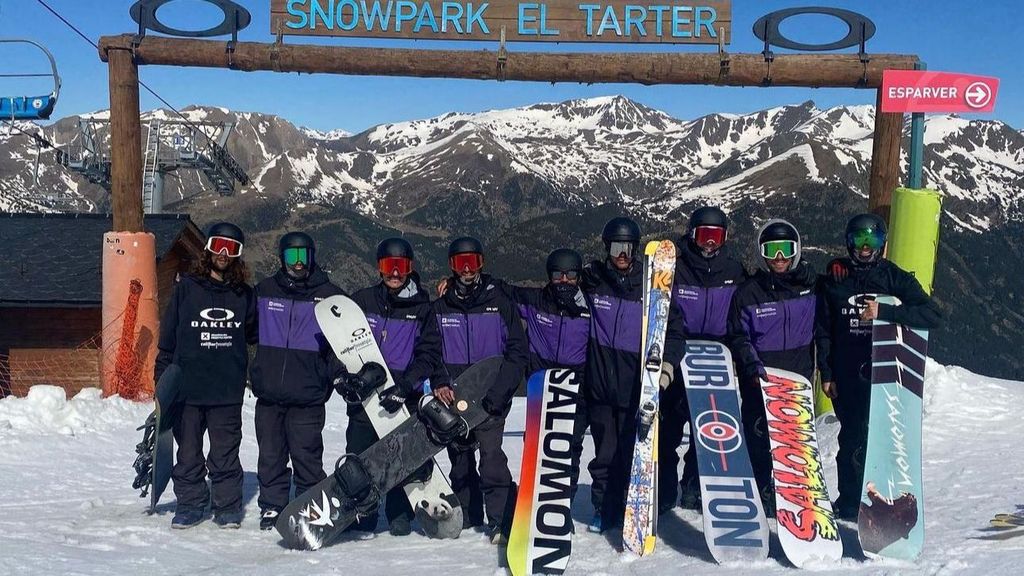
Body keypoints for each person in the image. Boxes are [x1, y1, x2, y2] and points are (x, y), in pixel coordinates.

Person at [817, 213, 942, 519]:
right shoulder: (835, 279)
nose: (864, 247)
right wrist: (827, 372)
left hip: (887, 372)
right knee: (851, 439)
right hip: (847, 375)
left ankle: (885, 498)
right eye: (858, 239)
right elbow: (823, 329)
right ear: (848, 243)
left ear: (883, 244)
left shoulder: (894, 278)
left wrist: (886, 311)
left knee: (885, 437)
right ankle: (849, 501)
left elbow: (933, 315)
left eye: (871, 240)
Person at [154, 222, 256, 529]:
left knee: (225, 452)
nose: (224, 253)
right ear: (208, 249)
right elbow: (169, 334)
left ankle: (226, 506)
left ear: (238, 255)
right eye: (218, 246)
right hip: (189, 387)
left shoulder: (244, 296)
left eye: (232, 248)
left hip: (226, 389)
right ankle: (190, 504)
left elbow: (254, 335)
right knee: (188, 452)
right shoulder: (187, 288)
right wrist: (162, 374)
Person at [429, 236, 528, 544]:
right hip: (454, 397)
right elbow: (429, 351)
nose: (468, 268)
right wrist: (439, 382)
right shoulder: (440, 306)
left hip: (490, 399)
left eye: (473, 261)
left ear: (482, 263)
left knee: (492, 459)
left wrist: (501, 392)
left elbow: (517, 352)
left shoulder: (498, 302)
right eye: (460, 262)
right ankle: (470, 515)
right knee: (459, 460)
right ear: (451, 266)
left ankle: (499, 520)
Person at [250, 231, 348, 531]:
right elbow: (246, 331)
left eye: (303, 256)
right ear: (282, 258)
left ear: (312, 257)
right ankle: (272, 505)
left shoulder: (329, 295)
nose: (297, 263)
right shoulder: (265, 291)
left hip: (307, 395)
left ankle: (311, 505)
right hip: (269, 394)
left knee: (306, 455)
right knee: (270, 455)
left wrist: (337, 374)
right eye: (292, 256)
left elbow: (338, 346)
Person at [347, 237, 443, 536]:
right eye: (390, 266)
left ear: (410, 268)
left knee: (401, 457)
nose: (396, 273)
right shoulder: (362, 301)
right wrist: (345, 377)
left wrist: (405, 385)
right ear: (379, 268)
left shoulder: (422, 308)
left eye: (401, 267)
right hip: (366, 399)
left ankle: (399, 513)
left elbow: (429, 355)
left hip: (404, 397)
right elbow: (340, 346)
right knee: (361, 455)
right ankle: (364, 512)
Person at [659, 205, 747, 513]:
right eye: (704, 236)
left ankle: (695, 486)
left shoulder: (734, 272)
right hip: (680, 354)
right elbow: (660, 309)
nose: (709, 243)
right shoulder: (677, 269)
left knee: (707, 430)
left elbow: (743, 314)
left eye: (716, 236)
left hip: (715, 359)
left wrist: (738, 354)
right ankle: (665, 488)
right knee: (669, 427)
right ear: (692, 235)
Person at [728, 219, 818, 516]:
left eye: (785, 250)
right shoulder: (749, 292)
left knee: (794, 443)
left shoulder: (811, 286)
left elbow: (829, 324)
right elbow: (738, 335)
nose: (779, 258)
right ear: (761, 253)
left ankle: (795, 492)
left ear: (796, 251)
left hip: (796, 382)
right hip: (761, 382)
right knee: (759, 439)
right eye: (772, 251)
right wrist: (752, 366)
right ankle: (761, 490)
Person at [509, 248, 592, 501]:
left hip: (576, 386)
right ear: (549, 276)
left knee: (570, 447)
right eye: (558, 275)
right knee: (537, 445)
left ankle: (563, 500)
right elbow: (501, 293)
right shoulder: (536, 301)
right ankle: (534, 501)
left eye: (570, 275)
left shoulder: (590, 307)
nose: (564, 281)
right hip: (541, 384)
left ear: (579, 276)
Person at [583, 217, 649, 533]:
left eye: (627, 247)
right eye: (615, 247)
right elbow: (557, 290)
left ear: (635, 249)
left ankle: (631, 506)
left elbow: (671, 329)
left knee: (631, 454)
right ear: (607, 248)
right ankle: (603, 509)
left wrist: (666, 366)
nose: (621, 254)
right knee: (605, 456)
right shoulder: (593, 281)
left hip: (634, 389)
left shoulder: (650, 287)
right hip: (599, 390)